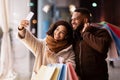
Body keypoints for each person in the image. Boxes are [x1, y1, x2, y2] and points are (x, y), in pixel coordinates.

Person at [71, 8, 112, 80]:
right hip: (79, 78)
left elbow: (102, 47)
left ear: (85, 20)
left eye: (76, 19)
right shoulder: (75, 35)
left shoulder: (101, 32)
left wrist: (85, 33)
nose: (72, 22)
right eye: (72, 19)